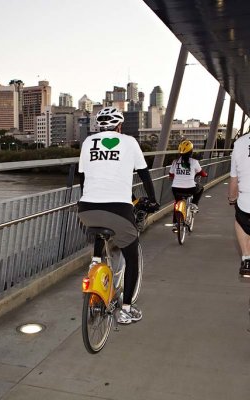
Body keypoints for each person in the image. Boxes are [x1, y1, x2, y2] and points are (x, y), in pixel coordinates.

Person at [78, 107, 159, 325]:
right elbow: (144, 173)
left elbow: (83, 179)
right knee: (132, 257)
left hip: (86, 209)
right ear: (119, 126)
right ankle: (126, 309)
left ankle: (95, 261)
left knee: (100, 220)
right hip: (119, 209)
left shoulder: (88, 143)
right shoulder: (129, 142)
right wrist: (152, 199)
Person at [169, 140, 207, 231]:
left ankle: (175, 224)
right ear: (191, 152)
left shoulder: (175, 162)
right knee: (201, 188)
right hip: (190, 188)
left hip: (176, 188)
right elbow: (201, 173)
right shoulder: (194, 162)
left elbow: (171, 175)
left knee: (176, 203)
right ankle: (194, 204)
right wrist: (205, 174)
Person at [228, 132, 250, 277]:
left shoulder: (240, 143)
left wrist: (232, 198)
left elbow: (234, 179)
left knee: (240, 219)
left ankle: (246, 258)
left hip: (246, 202)